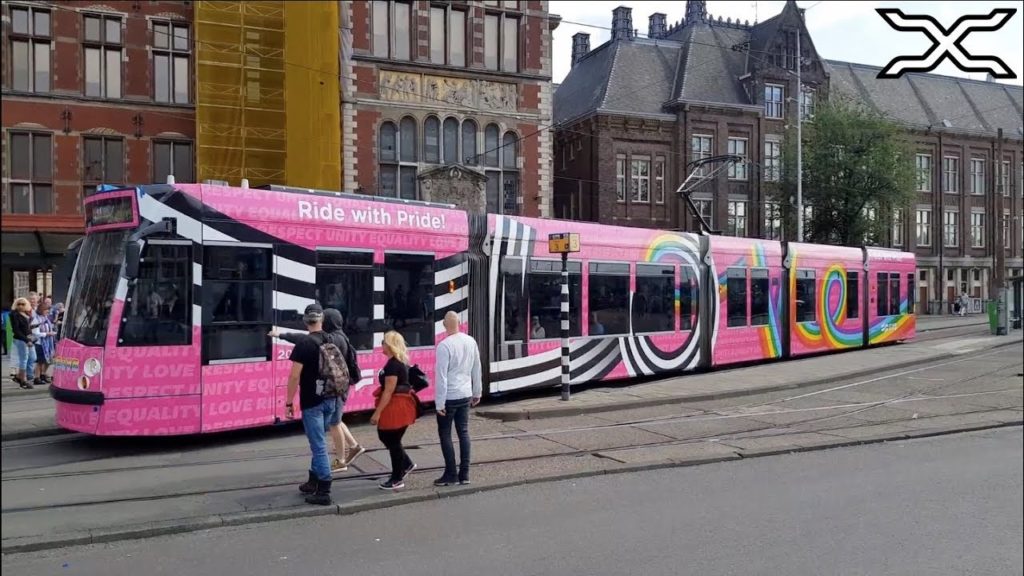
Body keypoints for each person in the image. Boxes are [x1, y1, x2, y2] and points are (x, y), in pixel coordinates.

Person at [269, 308, 366, 473]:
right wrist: (282, 335)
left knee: (329, 430)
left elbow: (304, 344)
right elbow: (307, 339)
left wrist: (281, 335)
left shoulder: (332, 338)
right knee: (334, 422)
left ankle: (336, 465)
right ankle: (353, 447)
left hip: (329, 392)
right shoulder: (337, 337)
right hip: (336, 388)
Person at [284, 304, 345, 506]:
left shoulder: (304, 343)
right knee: (319, 441)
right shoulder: (330, 338)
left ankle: (324, 490)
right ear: (321, 320)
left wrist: (288, 402)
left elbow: (294, 377)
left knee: (318, 446)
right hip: (331, 398)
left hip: (313, 402)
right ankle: (313, 480)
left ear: (304, 321)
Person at [433, 311, 482, 486]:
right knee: (463, 432)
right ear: (459, 323)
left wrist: (439, 403)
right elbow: (476, 368)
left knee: (445, 434)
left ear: (445, 325)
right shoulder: (471, 341)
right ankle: (465, 474)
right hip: (465, 394)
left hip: (449, 397)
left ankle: (451, 474)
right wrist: (477, 392)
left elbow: (441, 377)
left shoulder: (444, 346)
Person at [371, 330, 418, 490]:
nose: (381, 345)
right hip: (400, 405)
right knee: (390, 438)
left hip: (396, 406)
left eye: (384, 342)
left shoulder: (393, 365)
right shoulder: (397, 362)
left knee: (391, 438)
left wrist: (377, 413)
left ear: (390, 345)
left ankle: (397, 477)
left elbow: (388, 391)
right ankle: (405, 465)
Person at [10, 298, 39, 389]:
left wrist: (33, 327)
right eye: (18, 304)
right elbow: (16, 330)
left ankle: (20, 376)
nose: (20, 306)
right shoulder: (14, 314)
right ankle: (23, 380)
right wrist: (27, 340)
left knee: (33, 357)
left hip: (28, 338)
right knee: (24, 359)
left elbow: (26, 327)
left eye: (23, 304)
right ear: (15, 305)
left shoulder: (26, 313)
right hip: (20, 340)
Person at [33, 301, 57, 385]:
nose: (48, 311)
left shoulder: (46, 318)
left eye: (48, 310)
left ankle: (42, 375)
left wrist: (51, 332)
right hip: (40, 343)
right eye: (46, 309)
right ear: (41, 310)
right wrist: (47, 334)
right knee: (40, 361)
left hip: (48, 343)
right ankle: (37, 378)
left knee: (48, 360)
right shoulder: (36, 319)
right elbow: (35, 332)